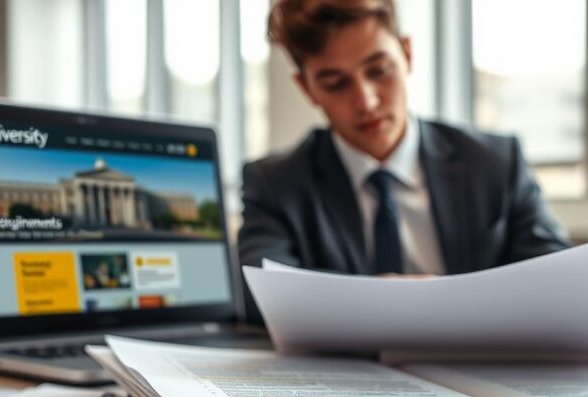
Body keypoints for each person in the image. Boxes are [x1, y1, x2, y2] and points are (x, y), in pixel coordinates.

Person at [238, 0, 571, 323]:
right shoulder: (275, 183)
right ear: (306, 88)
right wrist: (396, 300)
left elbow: (560, 283)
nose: (366, 101)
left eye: (379, 71)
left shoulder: (495, 163)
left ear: (407, 54)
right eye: (336, 83)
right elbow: (257, 296)